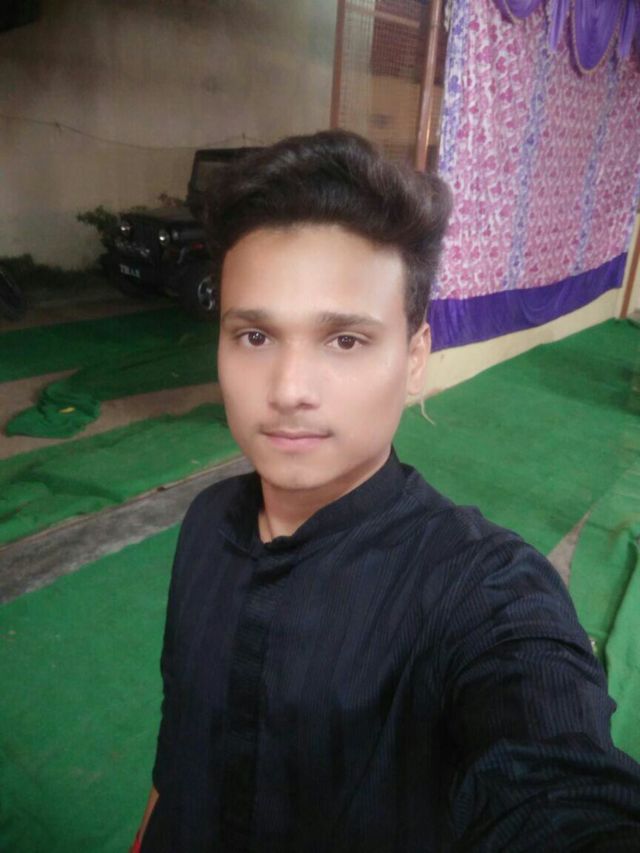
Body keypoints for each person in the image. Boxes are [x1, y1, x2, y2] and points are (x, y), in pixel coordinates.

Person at [134, 130, 640, 852]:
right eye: (255, 337)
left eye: (345, 340)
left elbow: (559, 786)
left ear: (415, 357)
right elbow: (179, 749)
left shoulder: (480, 591)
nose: (289, 389)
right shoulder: (206, 522)